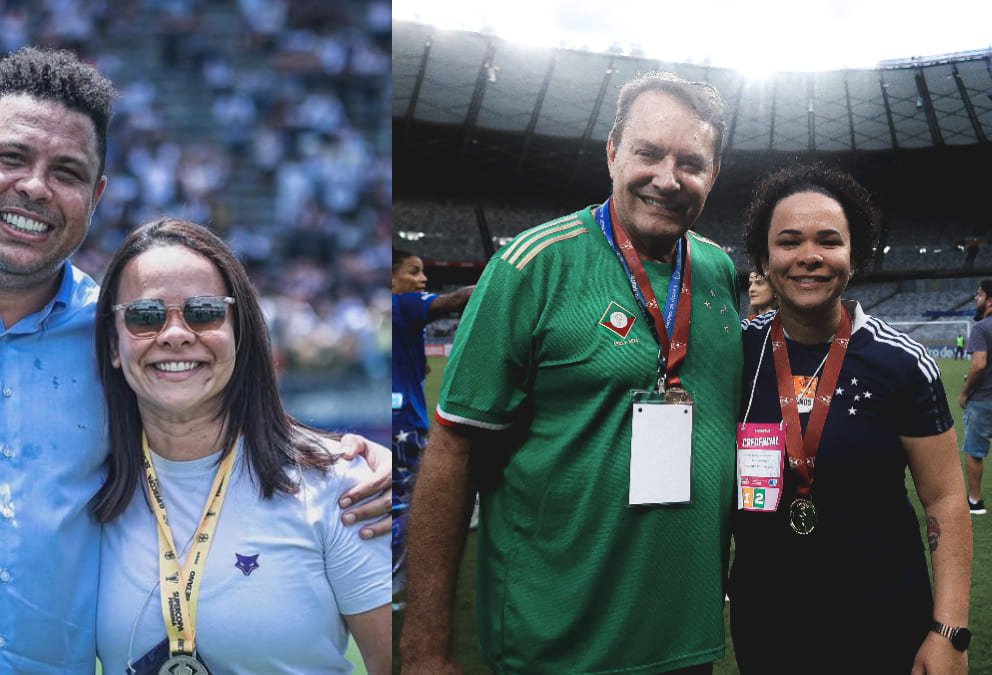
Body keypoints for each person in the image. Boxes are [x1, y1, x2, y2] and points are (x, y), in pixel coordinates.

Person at [0, 46, 391, 672]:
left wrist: (351, 457)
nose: (35, 187)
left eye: (67, 172)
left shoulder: (116, 328)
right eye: (12, 157)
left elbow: (201, 407)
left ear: (96, 194)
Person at [400, 71, 743, 674]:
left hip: (686, 643)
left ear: (713, 176)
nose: (668, 178)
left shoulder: (719, 273)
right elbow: (453, 446)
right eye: (647, 153)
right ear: (612, 154)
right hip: (555, 642)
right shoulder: (533, 265)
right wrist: (425, 647)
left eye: (691, 161)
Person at [93, 218, 391, 674]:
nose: (174, 334)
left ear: (240, 333)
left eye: (204, 311)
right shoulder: (85, 490)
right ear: (114, 345)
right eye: (145, 316)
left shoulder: (343, 485)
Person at [730, 163, 971, 673]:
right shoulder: (735, 353)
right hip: (766, 624)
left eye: (829, 241)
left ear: (854, 254)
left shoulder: (902, 363)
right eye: (789, 241)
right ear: (764, 258)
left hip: (882, 622)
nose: (809, 258)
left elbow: (946, 498)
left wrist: (948, 632)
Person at [391, 247, 473, 595]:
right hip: (404, 421)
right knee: (408, 502)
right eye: (414, 271)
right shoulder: (404, 304)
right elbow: (456, 300)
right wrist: (504, 279)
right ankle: (393, 583)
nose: (423, 279)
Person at [958, 278, 992, 515]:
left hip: (983, 399)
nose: (976, 298)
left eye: (979, 295)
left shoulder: (981, 328)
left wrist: (965, 391)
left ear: (990, 301)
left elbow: (979, 365)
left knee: (974, 451)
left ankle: (975, 501)